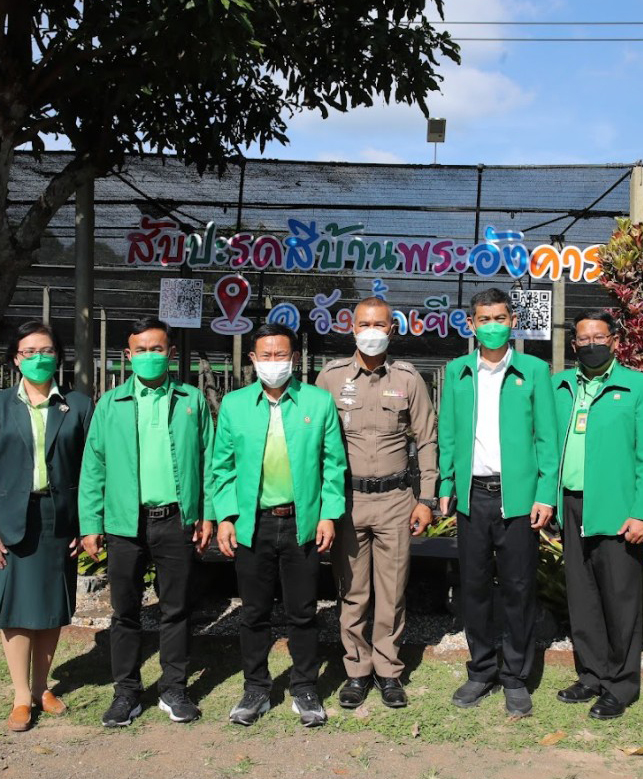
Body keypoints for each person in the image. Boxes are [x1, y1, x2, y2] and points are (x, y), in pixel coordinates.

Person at [78, 317, 215, 728]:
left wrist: (207, 513)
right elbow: (94, 466)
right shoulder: (110, 404)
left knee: (176, 608)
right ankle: (126, 692)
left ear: (171, 354)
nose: (150, 356)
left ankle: (174, 689)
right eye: (142, 349)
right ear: (129, 355)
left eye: (158, 349)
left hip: (175, 520)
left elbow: (209, 461)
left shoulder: (191, 400)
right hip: (124, 523)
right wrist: (91, 522)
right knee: (125, 611)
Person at [212, 322, 347, 728]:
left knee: (303, 611)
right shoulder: (235, 406)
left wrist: (328, 513)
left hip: (300, 522)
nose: (274, 363)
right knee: (253, 612)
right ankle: (255, 688)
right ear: (253, 359)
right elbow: (222, 468)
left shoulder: (318, 402)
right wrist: (226, 516)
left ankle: (305, 687)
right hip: (253, 523)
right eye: (266, 356)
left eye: (281, 355)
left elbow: (333, 464)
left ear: (294, 358)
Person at [0, 321, 94, 732]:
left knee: (51, 607)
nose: (39, 358)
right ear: (15, 358)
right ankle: (22, 696)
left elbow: (91, 470)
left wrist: (86, 522)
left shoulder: (78, 405)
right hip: (10, 523)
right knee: (17, 612)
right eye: (29, 351)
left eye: (47, 350)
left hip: (60, 520)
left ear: (58, 355)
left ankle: (43, 688)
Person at [437, 287, 558, 717]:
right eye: (484, 318)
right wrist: (446, 483)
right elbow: (448, 432)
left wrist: (546, 493)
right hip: (473, 498)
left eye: (500, 318)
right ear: (471, 324)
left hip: (518, 500)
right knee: (473, 589)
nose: (492, 325)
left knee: (519, 590)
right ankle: (481, 670)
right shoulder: (457, 372)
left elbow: (548, 437)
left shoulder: (533, 371)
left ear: (513, 322)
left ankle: (515, 677)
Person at [317, 297, 438, 709]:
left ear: (392, 330)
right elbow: (314, 444)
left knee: (392, 591)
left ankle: (388, 671)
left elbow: (426, 440)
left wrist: (426, 499)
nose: (372, 331)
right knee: (353, 591)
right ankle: (356, 670)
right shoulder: (330, 378)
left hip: (395, 501)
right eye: (364, 324)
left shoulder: (408, 379)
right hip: (348, 502)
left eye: (380, 324)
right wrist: (322, 507)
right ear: (352, 328)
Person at [551, 310, 643, 720]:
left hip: (618, 509)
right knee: (582, 597)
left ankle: (621, 684)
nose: (591, 344)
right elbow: (546, 445)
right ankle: (591, 675)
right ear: (574, 344)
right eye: (584, 338)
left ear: (615, 340)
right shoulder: (560, 385)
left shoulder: (639, 386)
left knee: (620, 599)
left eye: (599, 336)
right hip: (572, 504)